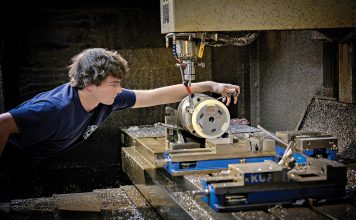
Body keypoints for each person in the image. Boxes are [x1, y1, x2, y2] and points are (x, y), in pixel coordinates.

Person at [0, 48, 240, 176]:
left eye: (119, 83)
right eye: (113, 84)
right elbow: (3, 123)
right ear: (89, 84)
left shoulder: (108, 99)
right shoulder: (56, 108)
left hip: (24, 165)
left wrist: (210, 86)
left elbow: (157, 95)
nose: (119, 89)